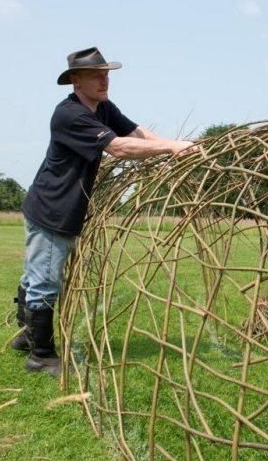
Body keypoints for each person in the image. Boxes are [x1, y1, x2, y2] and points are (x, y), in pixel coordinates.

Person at [10, 47, 199, 376]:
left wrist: (174, 145)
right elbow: (119, 147)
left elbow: (135, 132)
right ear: (75, 81)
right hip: (53, 208)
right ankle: (40, 355)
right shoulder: (70, 114)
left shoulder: (102, 108)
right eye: (96, 74)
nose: (104, 79)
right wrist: (170, 147)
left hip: (55, 204)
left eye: (106, 73)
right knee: (44, 280)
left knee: (35, 273)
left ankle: (26, 338)